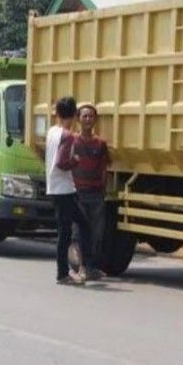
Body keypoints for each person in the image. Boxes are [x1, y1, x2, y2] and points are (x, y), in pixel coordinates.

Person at [45, 96, 92, 285]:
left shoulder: (52, 132)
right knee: (77, 228)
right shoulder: (67, 135)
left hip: (55, 187)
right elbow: (62, 162)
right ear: (74, 115)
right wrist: (76, 161)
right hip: (63, 189)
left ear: (57, 113)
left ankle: (72, 268)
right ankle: (67, 272)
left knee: (70, 229)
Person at [71, 104, 111, 280]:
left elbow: (104, 167)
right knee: (79, 233)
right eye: (84, 116)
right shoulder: (73, 141)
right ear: (78, 119)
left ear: (95, 120)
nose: (87, 119)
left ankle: (92, 267)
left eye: (91, 116)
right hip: (78, 194)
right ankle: (79, 268)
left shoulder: (101, 144)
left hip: (96, 194)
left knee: (97, 233)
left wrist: (103, 189)